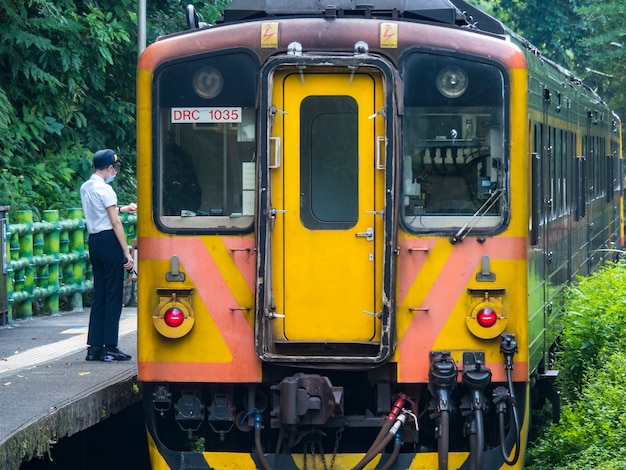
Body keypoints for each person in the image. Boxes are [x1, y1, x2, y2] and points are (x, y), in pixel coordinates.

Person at [80, 149, 137, 362]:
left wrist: (122, 208)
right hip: (109, 241)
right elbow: (114, 222)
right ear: (110, 168)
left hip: (94, 241)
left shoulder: (86, 187)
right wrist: (126, 253)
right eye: (115, 168)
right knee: (113, 294)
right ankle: (110, 346)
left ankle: (94, 347)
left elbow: (103, 212)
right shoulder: (106, 190)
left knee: (100, 294)